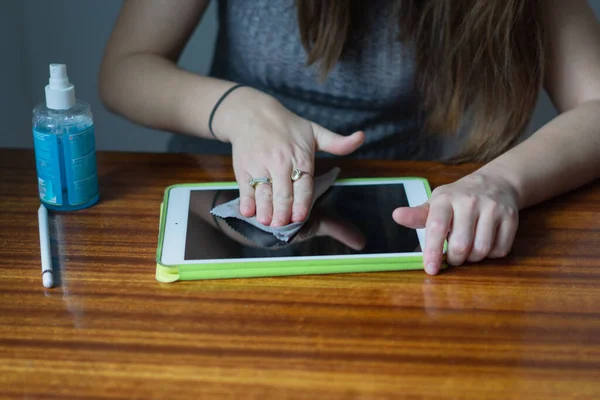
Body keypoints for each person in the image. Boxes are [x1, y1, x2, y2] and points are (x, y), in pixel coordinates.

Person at [99, 0, 600, 275]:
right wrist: (236, 109)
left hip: (396, 227)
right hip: (214, 200)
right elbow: (123, 70)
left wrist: (501, 183)